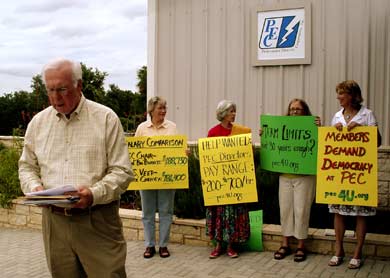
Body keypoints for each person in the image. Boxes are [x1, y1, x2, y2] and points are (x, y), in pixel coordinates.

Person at [18, 58, 134, 278]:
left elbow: (122, 172)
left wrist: (93, 194)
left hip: (97, 220)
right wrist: (34, 187)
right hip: (54, 222)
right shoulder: (38, 123)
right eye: (50, 90)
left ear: (79, 85)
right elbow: (26, 166)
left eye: (62, 89)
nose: (56, 97)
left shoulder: (106, 118)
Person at [327, 80, 380, 269]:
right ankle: (338, 250)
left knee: (360, 214)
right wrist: (335, 132)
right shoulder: (336, 116)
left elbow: (377, 141)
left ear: (352, 95)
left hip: (360, 173)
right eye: (338, 93)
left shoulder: (367, 115)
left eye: (342, 93)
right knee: (339, 213)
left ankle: (357, 252)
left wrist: (362, 129)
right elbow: (331, 144)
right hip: (341, 172)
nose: (338, 97)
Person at [271, 99, 321, 262]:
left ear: (305, 111)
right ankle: (285, 243)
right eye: (291, 109)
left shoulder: (312, 126)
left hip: (305, 176)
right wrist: (267, 134)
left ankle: (301, 245)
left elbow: (321, 145)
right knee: (285, 210)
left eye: (298, 110)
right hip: (285, 175)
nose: (294, 112)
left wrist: (319, 129)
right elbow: (273, 145)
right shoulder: (282, 127)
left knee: (301, 210)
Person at [206, 100, 250, 259]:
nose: (234, 114)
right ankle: (218, 246)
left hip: (235, 181)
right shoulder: (213, 132)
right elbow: (208, 157)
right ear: (223, 113)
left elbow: (245, 155)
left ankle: (231, 245)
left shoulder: (241, 132)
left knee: (232, 214)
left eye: (234, 111)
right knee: (218, 213)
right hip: (219, 181)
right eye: (231, 111)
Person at [135, 96, 177, 259]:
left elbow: (177, 149)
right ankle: (149, 245)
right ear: (151, 110)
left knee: (166, 211)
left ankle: (164, 245)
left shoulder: (172, 127)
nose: (163, 111)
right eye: (160, 108)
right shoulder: (142, 129)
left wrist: (183, 153)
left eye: (165, 107)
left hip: (167, 177)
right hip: (147, 178)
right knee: (148, 213)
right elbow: (135, 153)